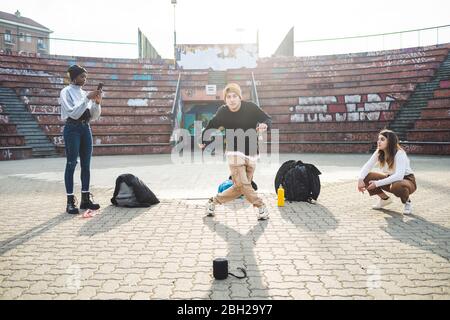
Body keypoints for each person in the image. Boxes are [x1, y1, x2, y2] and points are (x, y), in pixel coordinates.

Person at [199, 83, 271, 220]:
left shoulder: (250, 107)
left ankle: (212, 203)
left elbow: (267, 118)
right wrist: (203, 139)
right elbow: (212, 124)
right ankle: (261, 207)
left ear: (240, 97)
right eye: (228, 97)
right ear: (225, 99)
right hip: (233, 150)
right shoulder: (223, 111)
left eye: (234, 96)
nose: (231, 99)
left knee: (240, 187)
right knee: (243, 184)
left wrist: (265, 124)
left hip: (251, 151)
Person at [59, 65, 102, 214]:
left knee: (86, 164)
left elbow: (94, 116)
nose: (85, 79)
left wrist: (96, 102)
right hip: (72, 128)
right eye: (82, 76)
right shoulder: (65, 92)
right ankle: (70, 201)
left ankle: (85, 199)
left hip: (85, 128)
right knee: (71, 163)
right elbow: (74, 113)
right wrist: (87, 99)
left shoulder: (84, 93)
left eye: (86, 77)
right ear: (74, 77)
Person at [357, 129, 417, 214]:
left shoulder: (400, 153)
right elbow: (368, 166)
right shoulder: (379, 152)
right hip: (390, 178)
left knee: (397, 185)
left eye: (382, 139)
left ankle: (407, 202)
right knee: (367, 176)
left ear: (390, 141)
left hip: (407, 180)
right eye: (378, 139)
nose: (379, 142)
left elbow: (399, 176)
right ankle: (385, 199)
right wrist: (360, 179)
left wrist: (377, 183)